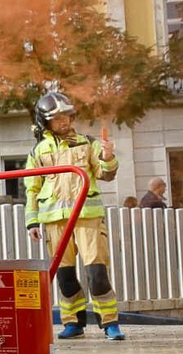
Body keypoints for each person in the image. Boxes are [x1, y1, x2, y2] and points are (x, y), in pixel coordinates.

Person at [24, 90, 124, 341]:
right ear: (45, 122)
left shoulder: (87, 143)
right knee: (65, 275)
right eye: (57, 119)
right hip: (54, 221)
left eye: (67, 116)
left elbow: (106, 174)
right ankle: (73, 322)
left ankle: (110, 323)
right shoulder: (38, 152)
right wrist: (32, 221)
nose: (64, 122)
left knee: (97, 272)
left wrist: (109, 157)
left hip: (87, 217)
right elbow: (31, 189)